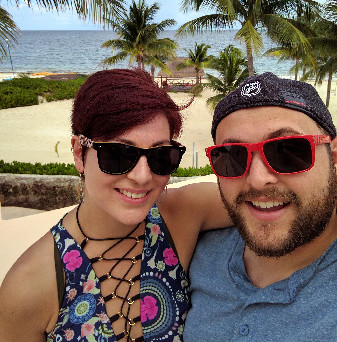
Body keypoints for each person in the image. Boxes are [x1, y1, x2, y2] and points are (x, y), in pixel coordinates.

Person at [0, 69, 233, 342]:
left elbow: (259, 202)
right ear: (79, 153)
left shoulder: (183, 213)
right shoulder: (28, 287)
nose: (142, 176)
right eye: (118, 154)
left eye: (161, 156)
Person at [183, 73, 337, 341]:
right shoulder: (200, 251)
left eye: (287, 151)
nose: (258, 179)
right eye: (232, 156)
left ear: (336, 159)